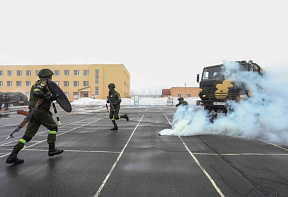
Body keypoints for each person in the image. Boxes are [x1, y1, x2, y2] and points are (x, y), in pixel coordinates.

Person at [6, 69, 63, 165]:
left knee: (27, 136)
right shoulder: (43, 82)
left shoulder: (36, 83)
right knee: (53, 128)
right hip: (40, 112)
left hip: (34, 112)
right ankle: (52, 149)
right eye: (50, 76)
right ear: (48, 76)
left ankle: (12, 156)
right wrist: (50, 98)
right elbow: (37, 93)